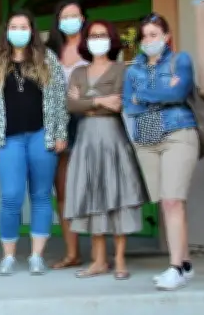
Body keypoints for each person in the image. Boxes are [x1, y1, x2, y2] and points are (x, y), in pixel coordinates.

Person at [0, 8, 68, 276]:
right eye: (14, 27)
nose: (19, 31)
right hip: (9, 138)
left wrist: (60, 133)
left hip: (41, 135)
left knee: (41, 196)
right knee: (10, 196)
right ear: (6, 31)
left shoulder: (47, 58)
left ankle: (36, 256)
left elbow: (58, 98)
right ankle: (8, 256)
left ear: (32, 31)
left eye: (24, 27)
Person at [64, 20, 147, 280]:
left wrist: (87, 101)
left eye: (102, 35)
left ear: (111, 39)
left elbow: (121, 103)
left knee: (117, 195)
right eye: (92, 35)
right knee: (92, 196)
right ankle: (98, 260)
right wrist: (100, 100)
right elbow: (70, 105)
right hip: (86, 139)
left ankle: (119, 258)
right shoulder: (78, 72)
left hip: (113, 138)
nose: (97, 39)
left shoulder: (122, 69)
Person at [123, 13, 199, 290]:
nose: (149, 40)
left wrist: (143, 94)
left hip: (178, 132)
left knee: (172, 201)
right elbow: (128, 105)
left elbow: (176, 96)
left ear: (166, 36)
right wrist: (157, 92)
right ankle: (186, 263)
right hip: (146, 137)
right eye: (144, 36)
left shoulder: (181, 61)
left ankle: (175, 267)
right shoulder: (133, 70)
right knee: (167, 202)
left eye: (154, 34)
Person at [44, 0, 88, 270]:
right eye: (64, 16)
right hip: (60, 122)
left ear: (83, 18)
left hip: (90, 119)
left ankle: (101, 251)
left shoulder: (95, 46)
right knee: (63, 189)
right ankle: (72, 252)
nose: (70, 20)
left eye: (75, 14)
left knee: (93, 186)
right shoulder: (50, 52)